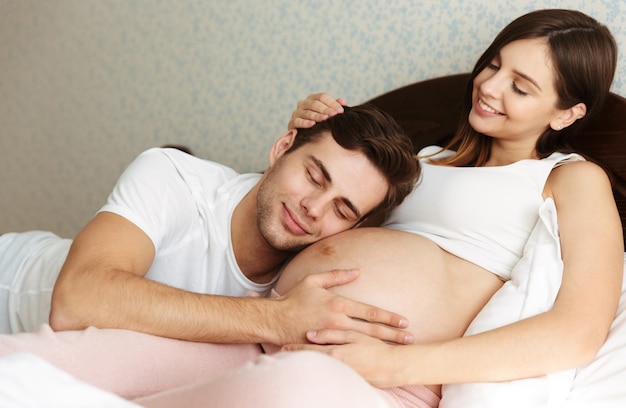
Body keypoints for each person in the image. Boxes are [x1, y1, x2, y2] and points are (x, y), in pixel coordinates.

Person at [0, 8, 622, 408]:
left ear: (566, 115)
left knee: (290, 396)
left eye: (521, 87)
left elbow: (576, 332)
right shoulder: (419, 161)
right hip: (271, 332)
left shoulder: (569, 180)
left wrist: (393, 362)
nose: (489, 87)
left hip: (378, 385)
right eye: (494, 65)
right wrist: (299, 136)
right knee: (42, 360)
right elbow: (307, 213)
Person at [0, 103, 419, 348]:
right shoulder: (173, 176)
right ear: (283, 147)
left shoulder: (309, 285)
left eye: (342, 210)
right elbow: (76, 302)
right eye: (314, 176)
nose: (313, 208)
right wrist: (273, 319)